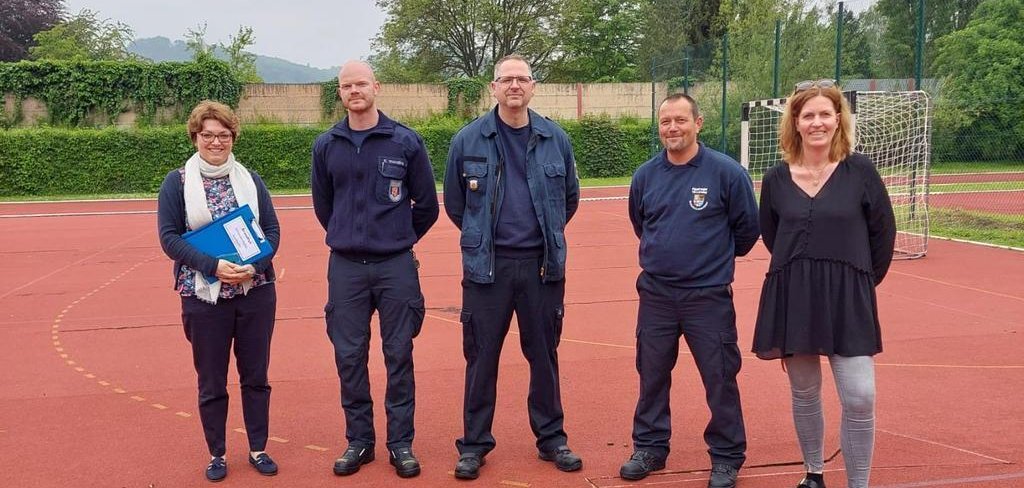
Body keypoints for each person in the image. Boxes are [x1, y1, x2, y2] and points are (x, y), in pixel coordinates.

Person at [443, 54, 581, 480]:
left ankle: (552, 439)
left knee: (544, 356)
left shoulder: (555, 138)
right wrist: (485, 239)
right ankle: (474, 445)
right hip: (488, 269)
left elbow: (569, 200)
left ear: (533, 86)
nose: (515, 86)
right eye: (507, 80)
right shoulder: (468, 140)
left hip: (541, 267)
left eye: (522, 79)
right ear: (494, 87)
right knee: (481, 358)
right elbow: (456, 205)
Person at [752, 79, 896, 488]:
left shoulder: (860, 171)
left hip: (848, 299)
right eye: (808, 115)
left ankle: (858, 483)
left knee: (860, 397)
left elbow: (883, 234)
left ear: (838, 120)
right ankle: (813, 473)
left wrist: (858, 283)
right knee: (804, 391)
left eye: (825, 114)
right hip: (795, 295)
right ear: (795, 123)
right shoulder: (776, 178)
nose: (817, 122)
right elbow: (772, 235)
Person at [621, 94, 759, 488]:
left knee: (720, 377)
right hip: (657, 295)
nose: (672, 128)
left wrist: (710, 262)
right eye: (665, 122)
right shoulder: (645, 176)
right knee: (651, 375)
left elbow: (747, 231)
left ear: (698, 123)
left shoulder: (727, 173)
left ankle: (726, 457)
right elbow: (641, 223)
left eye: (680, 120)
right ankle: (650, 447)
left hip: (708, 297)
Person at [311, 60, 439, 479]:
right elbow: (324, 207)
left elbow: (427, 205)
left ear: (376, 87)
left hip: (395, 266)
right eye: (346, 86)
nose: (354, 91)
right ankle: (359, 441)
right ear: (340, 93)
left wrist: (397, 236)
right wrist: (349, 235)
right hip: (346, 267)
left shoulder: (405, 141)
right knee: (349, 356)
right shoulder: (327, 145)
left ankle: (400, 443)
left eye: (361, 84)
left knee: (398, 354)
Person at [157, 100, 281, 482]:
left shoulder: (251, 180)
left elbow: (272, 232)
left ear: (233, 137)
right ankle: (217, 453)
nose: (216, 142)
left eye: (224, 135)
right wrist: (213, 266)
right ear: (195, 137)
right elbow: (169, 238)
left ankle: (258, 448)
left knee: (256, 376)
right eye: (208, 135)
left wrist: (254, 266)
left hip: (255, 292)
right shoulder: (177, 183)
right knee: (211, 381)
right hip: (203, 297)